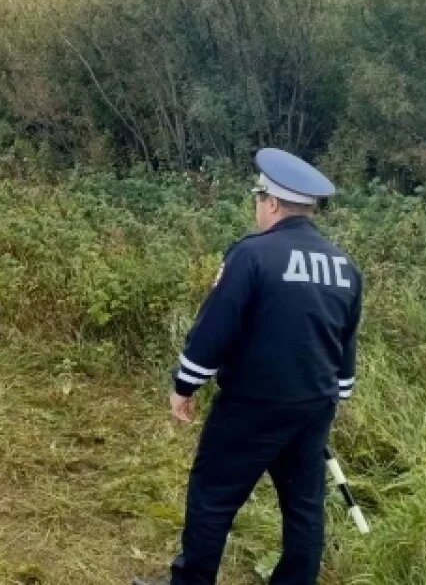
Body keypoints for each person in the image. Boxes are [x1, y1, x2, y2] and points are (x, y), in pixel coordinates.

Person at [134, 149, 363, 585]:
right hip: (314, 406)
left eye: (259, 197)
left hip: (251, 407)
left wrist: (185, 385)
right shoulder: (344, 265)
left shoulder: (252, 255)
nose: (257, 205)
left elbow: (215, 329)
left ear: (272, 202)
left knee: (213, 497)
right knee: (304, 508)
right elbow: (345, 340)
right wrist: (339, 394)